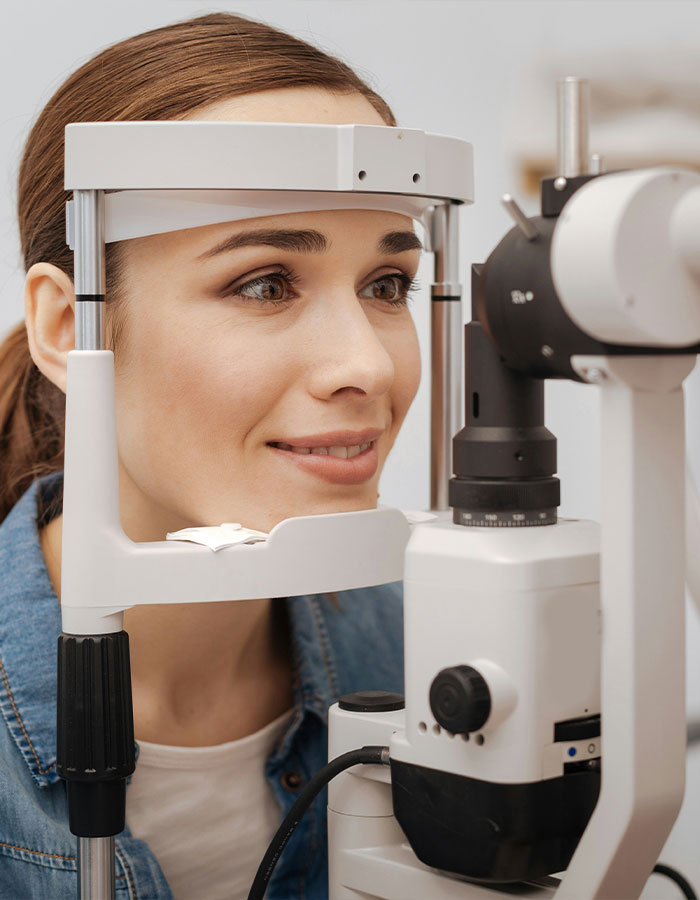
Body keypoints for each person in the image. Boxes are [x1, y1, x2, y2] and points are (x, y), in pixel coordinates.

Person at [0, 11, 422, 900]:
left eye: (388, 285)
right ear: (68, 326)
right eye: (265, 283)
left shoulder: (431, 655)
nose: (369, 365)